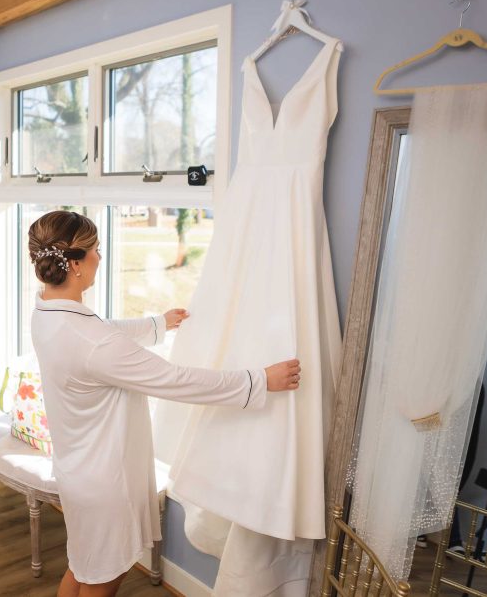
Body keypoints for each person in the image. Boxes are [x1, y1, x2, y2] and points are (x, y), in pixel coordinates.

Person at [28, 211, 302, 597]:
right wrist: (258, 380)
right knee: (101, 580)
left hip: (78, 472)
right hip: (107, 484)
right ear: (74, 264)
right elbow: (176, 380)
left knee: (83, 565)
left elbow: (103, 332)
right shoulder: (94, 343)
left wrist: (158, 324)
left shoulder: (46, 313)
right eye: (95, 250)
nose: (100, 258)